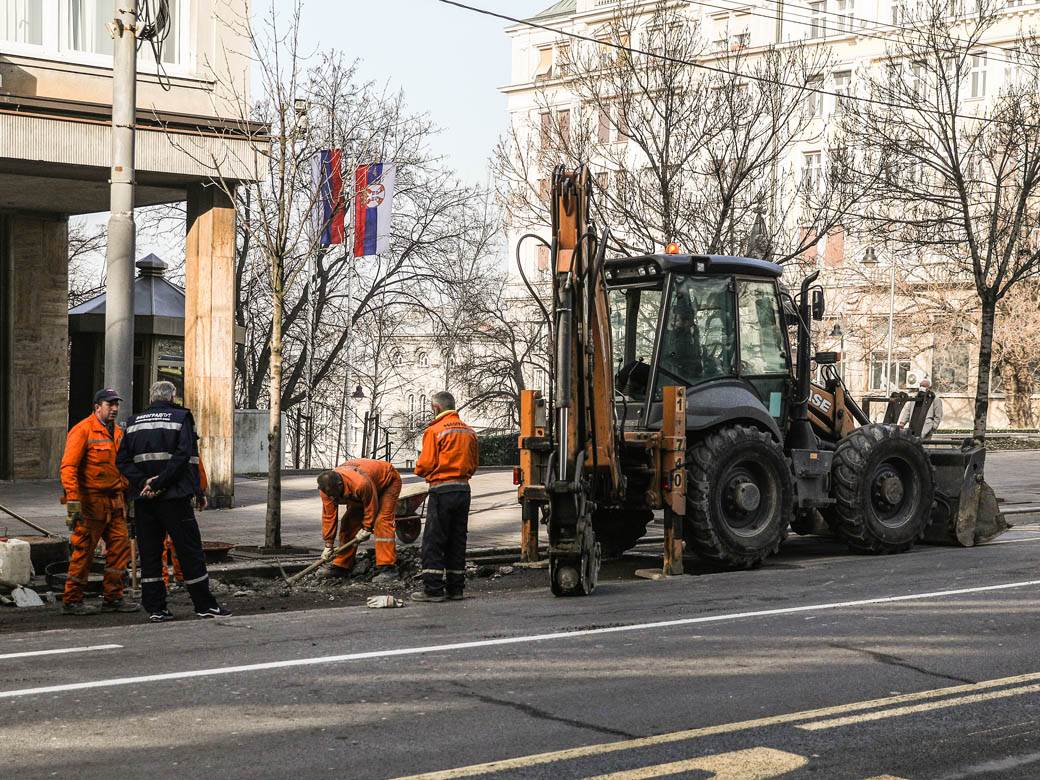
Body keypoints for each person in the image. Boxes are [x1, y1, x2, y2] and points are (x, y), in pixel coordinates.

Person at [115, 381, 230, 622]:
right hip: (174, 497)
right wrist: (161, 484)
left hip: (144, 499)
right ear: (172, 396)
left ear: (151, 396)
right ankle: (204, 605)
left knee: (150, 554)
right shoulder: (180, 418)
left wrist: (144, 483)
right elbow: (184, 457)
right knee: (189, 551)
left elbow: (122, 460)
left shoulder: (133, 422)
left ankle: (156, 608)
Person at [58, 388, 138, 615]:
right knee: (84, 551)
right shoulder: (82, 430)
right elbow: (68, 468)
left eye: (116, 404)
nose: (114, 409)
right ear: (97, 407)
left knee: (120, 549)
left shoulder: (119, 433)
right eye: (109, 404)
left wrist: (128, 496)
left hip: (115, 502)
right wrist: (73, 503)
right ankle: (72, 600)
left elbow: (123, 467)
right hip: (91, 503)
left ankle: (113, 597)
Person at [411, 391, 479, 603]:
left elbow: (426, 464)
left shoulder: (435, 430)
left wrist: (419, 470)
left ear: (436, 408)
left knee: (434, 540)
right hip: (463, 490)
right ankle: (455, 589)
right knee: (457, 539)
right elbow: (474, 463)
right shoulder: (469, 431)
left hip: (442, 490)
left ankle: (433, 589)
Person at [316, 458, 401, 583]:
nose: (333, 498)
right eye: (330, 496)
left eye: (335, 495)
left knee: (382, 522)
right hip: (366, 486)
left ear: (340, 485)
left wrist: (366, 528)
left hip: (388, 482)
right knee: (348, 522)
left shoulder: (361, 483)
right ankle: (342, 565)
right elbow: (329, 516)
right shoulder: (326, 490)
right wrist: (328, 544)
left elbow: (371, 506)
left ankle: (388, 568)